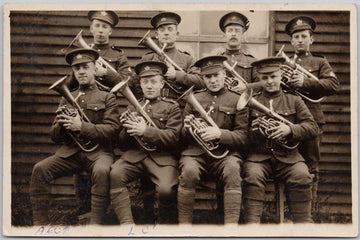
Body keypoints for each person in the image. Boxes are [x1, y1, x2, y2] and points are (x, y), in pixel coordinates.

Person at [29, 48, 120, 225]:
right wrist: (62, 126)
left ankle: (96, 223)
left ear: (95, 68)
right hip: (70, 153)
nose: (81, 72)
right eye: (77, 68)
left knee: (102, 171)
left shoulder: (107, 97)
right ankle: (40, 224)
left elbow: (113, 130)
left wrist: (82, 126)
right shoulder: (66, 98)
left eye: (85, 67)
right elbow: (54, 137)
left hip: (99, 154)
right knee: (39, 169)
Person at [242, 56, 319, 223]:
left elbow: (313, 127)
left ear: (280, 76)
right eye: (265, 78)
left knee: (302, 175)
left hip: (289, 157)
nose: (270, 81)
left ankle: (303, 224)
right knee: (252, 176)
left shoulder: (294, 100)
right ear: (259, 79)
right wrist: (253, 132)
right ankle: (251, 226)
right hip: (259, 158)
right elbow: (241, 134)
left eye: (273, 76)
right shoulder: (250, 102)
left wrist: (290, 129)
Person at [177, 55, 248, 224]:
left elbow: (243, 137)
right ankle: (183, 227)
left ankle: (231, 228)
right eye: (208, 77)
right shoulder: (195, 98)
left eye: (217, 75)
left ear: (225, 74)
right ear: (203, 78)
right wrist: (186, 128)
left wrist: (220, 134)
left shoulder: (237, 99)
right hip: (195, 153)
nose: (213, 80)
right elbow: (180, 136)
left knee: (232, 170)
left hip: (226, 155)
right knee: (189, 171)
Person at [109, 61, 182, 224]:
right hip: (135, 156)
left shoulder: (172, 107)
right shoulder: (132, 107)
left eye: (153, 81)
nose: (149, 86)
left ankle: (164, 227)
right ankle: (127, 225)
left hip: (162, 159)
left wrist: (145, 131)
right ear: (140, 84)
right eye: (145, 82)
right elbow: (122, 144)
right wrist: (126, 130)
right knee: (115, 174)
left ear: (162, 83)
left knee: (166, 189)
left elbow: (173, 137)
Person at [284, 16, 340, 213]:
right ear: (291, 41)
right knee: (288, 165)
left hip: (313, 120)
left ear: (311, 39)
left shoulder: (320, 61)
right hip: (289, 120)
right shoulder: (285, 62)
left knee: (311, 166)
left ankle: (307, 214)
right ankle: (289, 214)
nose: (300, 40)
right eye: (296, 36)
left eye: (304, 36)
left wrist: (305, 82)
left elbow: (333, 85)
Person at [139, 12, 204, 103]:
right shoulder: (147, 58)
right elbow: (136, 85)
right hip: (153, 108)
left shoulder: (187, 59)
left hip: (179, 107)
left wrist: (177, 75)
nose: (166, 33)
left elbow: (201, 82)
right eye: (162, 30)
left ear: (177, 34)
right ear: (157, 35)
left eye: (170, 29)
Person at [67, 10, 132, 91]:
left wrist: (106, 73)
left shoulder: (119, 55)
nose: (100, 30)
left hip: (108, 100)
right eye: (97, 26)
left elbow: (129, 83)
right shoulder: (83, 53)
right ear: (91, 29)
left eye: (105, 27)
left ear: (110, 31)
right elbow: (70, 85)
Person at [218, 12, 259, 93]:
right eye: (230, 31)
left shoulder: (253, 61)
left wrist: (247, 87)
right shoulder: (216, 60)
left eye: (237, 31)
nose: (233, 34)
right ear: (224, 36)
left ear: (243, 36)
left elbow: (261, 84)